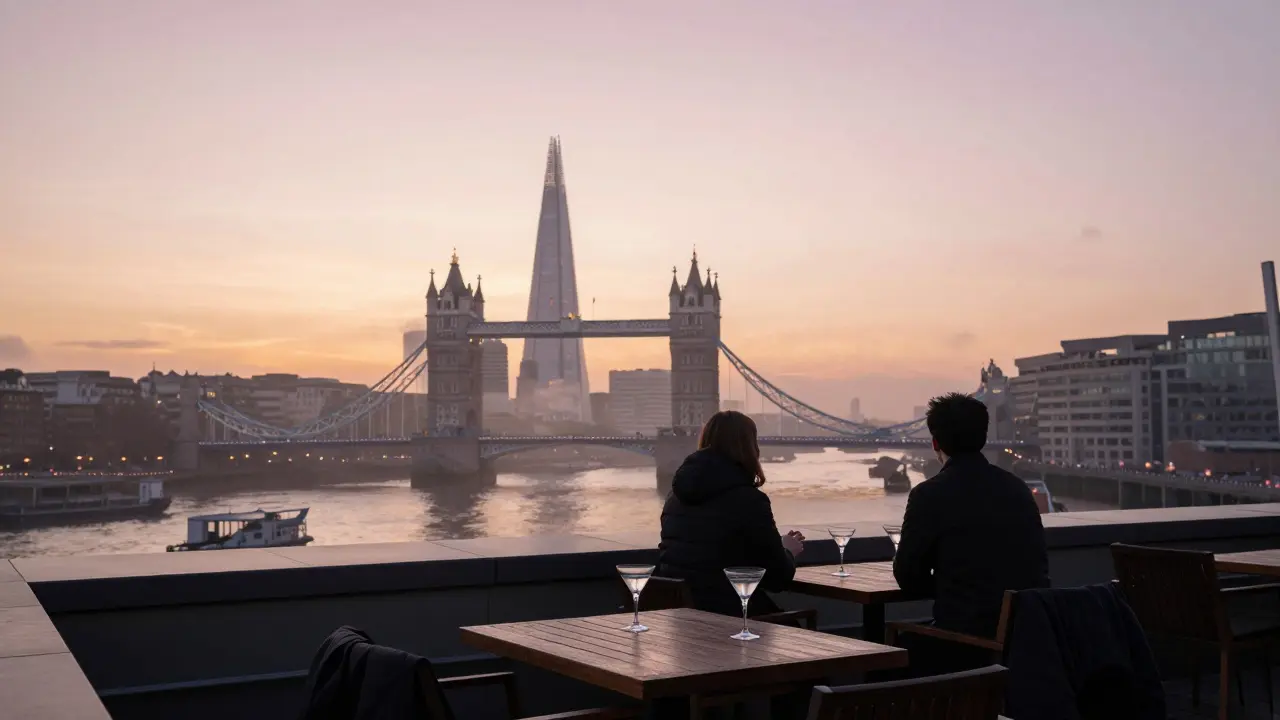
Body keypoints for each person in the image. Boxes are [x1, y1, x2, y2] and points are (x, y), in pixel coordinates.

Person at [893, 392, 1049, 667]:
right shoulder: (1018, 489)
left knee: (886, 659)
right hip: (1029, 642)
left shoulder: (928, 495)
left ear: (935, 443)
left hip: (963, 647)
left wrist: (951, 584)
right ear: (984, 439)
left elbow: (908, 576)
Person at [658, 410, 805, 617]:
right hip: (731, 623)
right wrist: (788, 550)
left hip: (681, 624)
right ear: (750, 447)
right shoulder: (750, 501)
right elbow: (778, 579)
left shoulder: (674, 498)